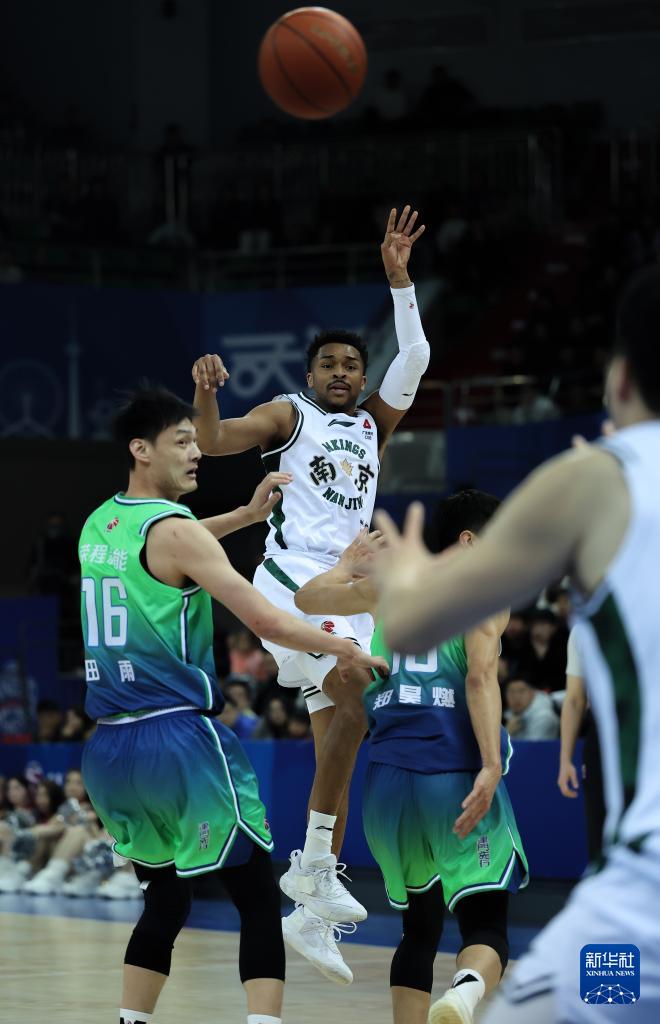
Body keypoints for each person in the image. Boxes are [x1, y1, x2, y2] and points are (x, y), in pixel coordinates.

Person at [374, 266, 660, 1022]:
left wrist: (405, 577)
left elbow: (413, 626)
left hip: (642, 875)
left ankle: (485, 996)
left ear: (619, 377)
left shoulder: (596, 478)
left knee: (588, 996)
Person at [78, 385, 386, 1024]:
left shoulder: (99, 524)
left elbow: (171, 548)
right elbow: (265, 618)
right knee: (256, 900)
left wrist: (244, 517)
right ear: (141, 449)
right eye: (182, 442)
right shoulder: (178, 532)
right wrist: (342, 647)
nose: (197, 453)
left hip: (107, 749)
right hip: (176, 741)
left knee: (165, 901)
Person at [190, 205, 430, 977]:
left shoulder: (373, 426)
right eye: (328, 364)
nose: (341, 373)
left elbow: (416, 354)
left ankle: (311, 905)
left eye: (351, 365)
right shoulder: (289, 415)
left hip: (349, 590)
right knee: (355, 693)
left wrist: (399, 282)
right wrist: (206, 395)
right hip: (293, 582)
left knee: (345, 731)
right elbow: (215, 440)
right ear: (310, 375)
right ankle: (314, 870)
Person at [295, 492, 528, 1021]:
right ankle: (463, 994)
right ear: (470, 540)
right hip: (451, 774)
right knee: (486, 924)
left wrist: (344, 566)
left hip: (386, 786)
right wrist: (491, 765)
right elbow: (480, 678)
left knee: (418, 930)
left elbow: (307, 599)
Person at [557, 627, 606, 863]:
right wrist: (565, 760)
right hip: (603, 736)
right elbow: (575, 698)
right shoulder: (583, 628)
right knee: (601, 826)